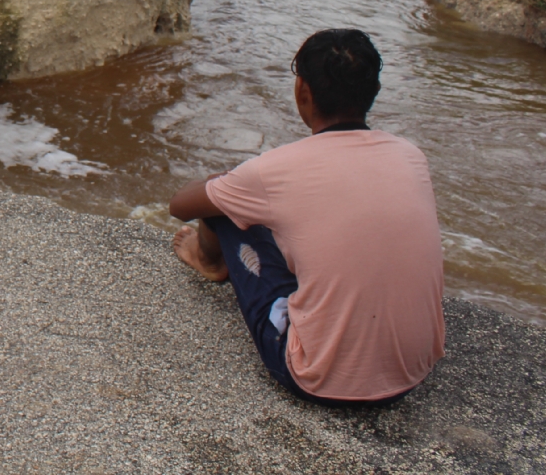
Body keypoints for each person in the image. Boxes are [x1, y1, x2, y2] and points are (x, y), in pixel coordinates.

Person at [168, 29, 445, 405]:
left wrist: (229, 182)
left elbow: (181, 205)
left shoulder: (277, 169)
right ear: (373, 92)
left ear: (303, 92)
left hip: (320, 378)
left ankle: (209, 260)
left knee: (225, 206)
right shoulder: (410, 156)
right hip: (413, 372)